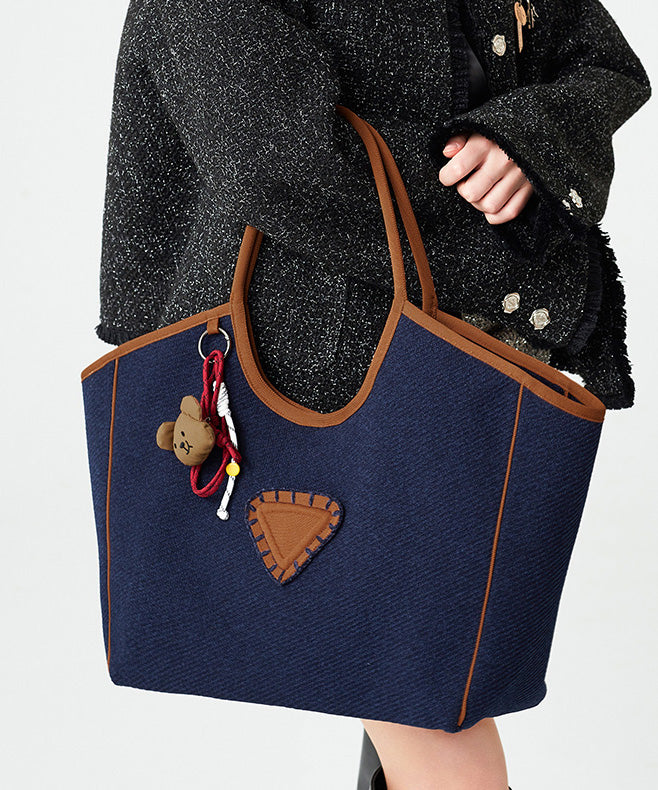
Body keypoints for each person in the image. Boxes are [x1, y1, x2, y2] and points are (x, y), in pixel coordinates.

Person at [95, 1, 650, 788]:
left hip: (460, 369)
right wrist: (522, 268)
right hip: (301, 364)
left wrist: (527, 138)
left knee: (418, 688)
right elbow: (268, 158)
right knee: (428, 708)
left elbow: (601, 62)